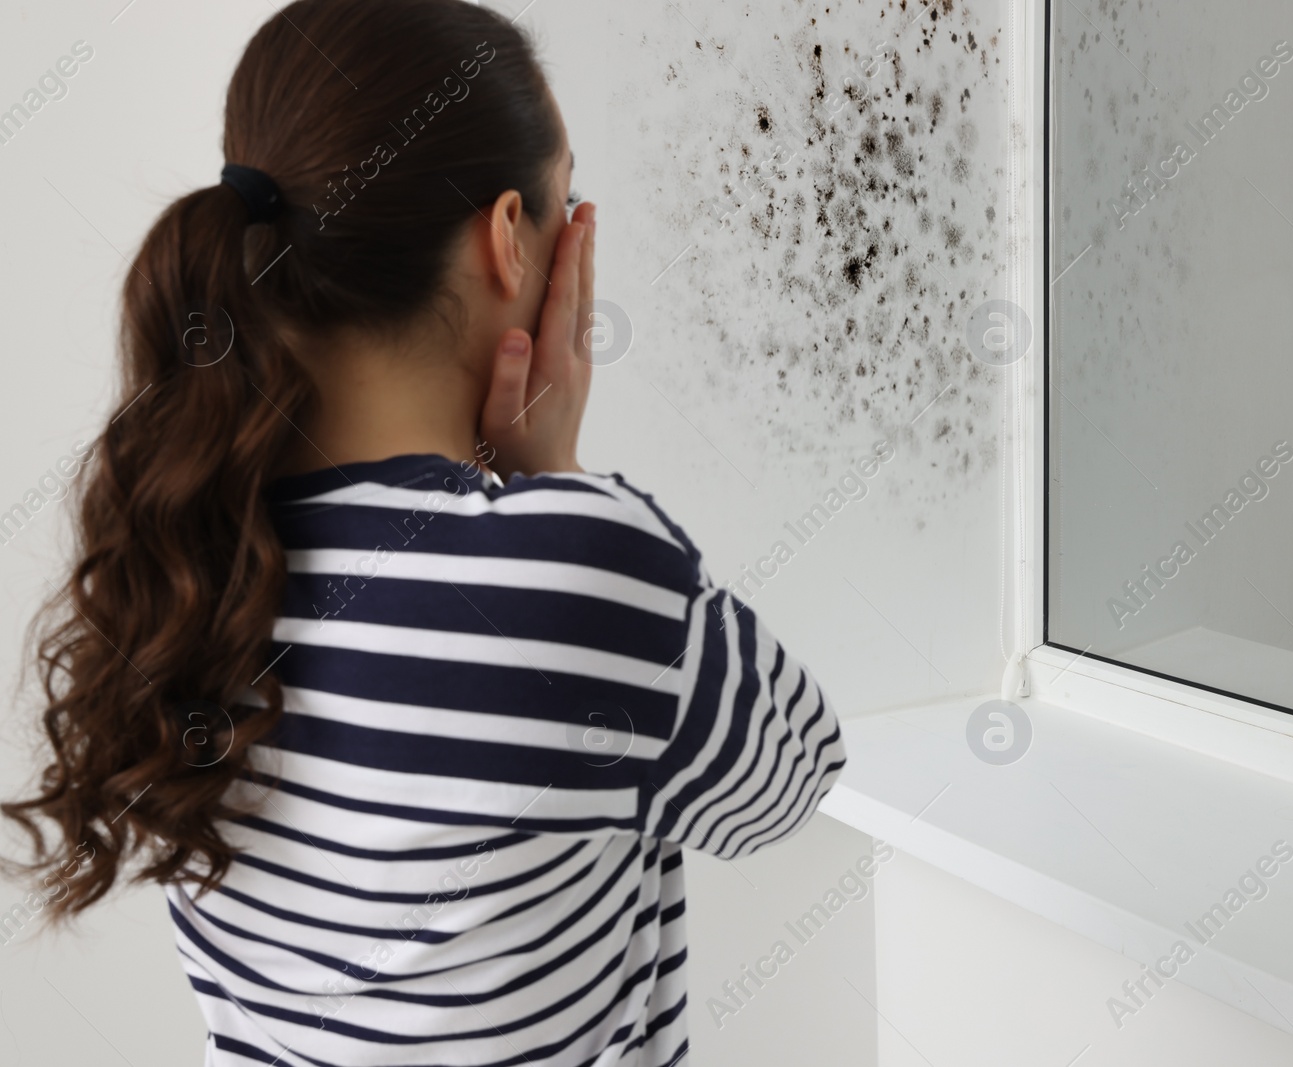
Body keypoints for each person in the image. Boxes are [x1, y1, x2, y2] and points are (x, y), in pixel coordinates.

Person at [1, 2, 845, 1064]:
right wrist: (554, 475)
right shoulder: (585, 573)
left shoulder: (187, 555)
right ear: (507, 239)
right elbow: (790, 782)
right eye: (564, 200)